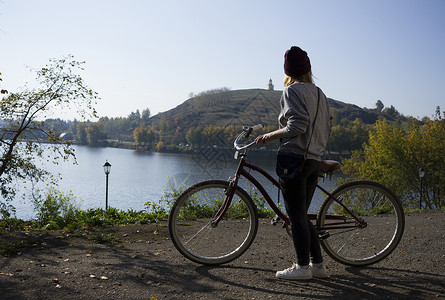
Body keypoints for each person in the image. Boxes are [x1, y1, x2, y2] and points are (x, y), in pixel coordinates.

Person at [255, 46, 332, 280]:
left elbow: (297, 126)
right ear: (308, 69)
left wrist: (270, 135)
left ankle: (301, 268)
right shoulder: (319, 93)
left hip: (294, 158)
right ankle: (317, 265)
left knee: (296, 214)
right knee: (301, 214)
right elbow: (326, 127)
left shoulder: (291, 91)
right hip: (312, 159)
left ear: (287, 71)